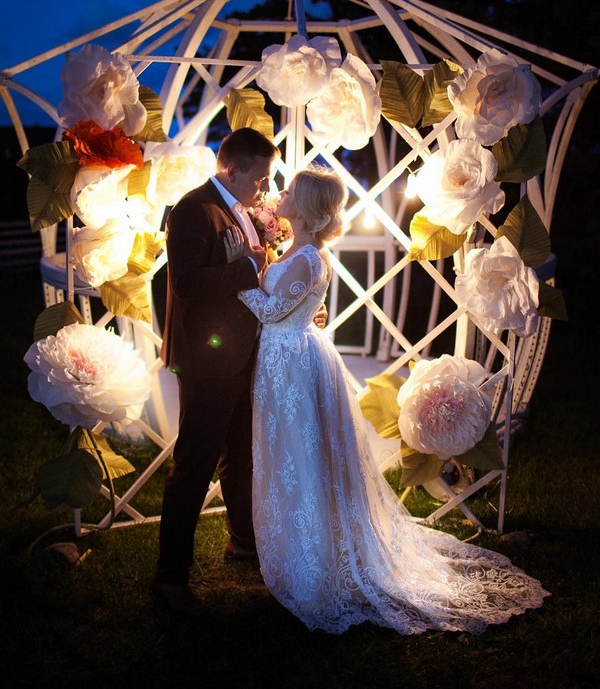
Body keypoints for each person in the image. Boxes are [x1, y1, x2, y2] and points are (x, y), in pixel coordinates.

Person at [226, 165, 550, 635]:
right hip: (288, 359)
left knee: (300, 453)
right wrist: (262, 265)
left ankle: (312, 558)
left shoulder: (309, 257)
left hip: (292, 362)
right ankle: (301, 544)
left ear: (309, 208)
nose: (282, 196)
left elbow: (274, 310)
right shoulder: (298, 252)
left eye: (291, 191)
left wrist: (239, 277)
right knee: (294, 453)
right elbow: (292, 300)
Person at [153, 127, 280, 614]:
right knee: (194, 465)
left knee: (240, 454)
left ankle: (243, 541)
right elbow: (185, 283)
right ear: (233, 168)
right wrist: (248, 269)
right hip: (207, 361)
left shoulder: (239, 210)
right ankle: (170, 577)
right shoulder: (193, 210)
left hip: (238, 355)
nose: (265, 189)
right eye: (261, 179)